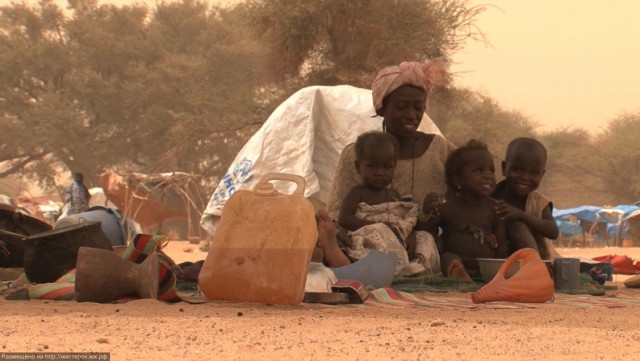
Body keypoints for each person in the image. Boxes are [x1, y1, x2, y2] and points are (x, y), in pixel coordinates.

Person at [321, 59, 452, 269]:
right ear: (382, 108)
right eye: (401, 107)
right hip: (369, 241)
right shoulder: (355, 154)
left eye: (418, 108)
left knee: (426, 239)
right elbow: (339, 218)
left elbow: (469, 180)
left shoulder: (439, 149)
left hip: (412, 242)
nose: (411, 115)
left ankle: (416, 272)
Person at [337, 131, 439, 275]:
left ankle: (417, 268)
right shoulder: (357, 191)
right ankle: (393, 269)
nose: (380, 172)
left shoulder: (393, 195)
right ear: (358, 166)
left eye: (387, 167)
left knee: (424, 236)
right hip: (370, 238)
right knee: (379, 234)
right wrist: (379, 226)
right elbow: (344, 219)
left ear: (394, 167)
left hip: (397, 237)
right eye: (372, 166)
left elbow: (405, 221)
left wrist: (410, 234)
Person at [418, 140, 508, 281]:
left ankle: (474, 279)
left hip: (484, 269)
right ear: (457, 180)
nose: (488, 175)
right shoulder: (446, 205)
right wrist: (427, 211)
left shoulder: (495, 207)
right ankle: (459, 275)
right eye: (478, 170)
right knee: (448, 258)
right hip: (454, 263)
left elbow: (502, 246)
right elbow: (426, 235)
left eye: (491, 170)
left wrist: (502, 271)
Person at [491, 137, 560, 259]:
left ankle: (533, 269)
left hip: (534, 260)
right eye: (517, 170)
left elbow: (553, 231)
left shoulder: (539, 202)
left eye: (533, 173)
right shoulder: (492, 195)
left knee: (517, 227)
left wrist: (520, 215)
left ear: (542, 175)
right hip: (496, 258)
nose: (524, 177)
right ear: (503, 168)